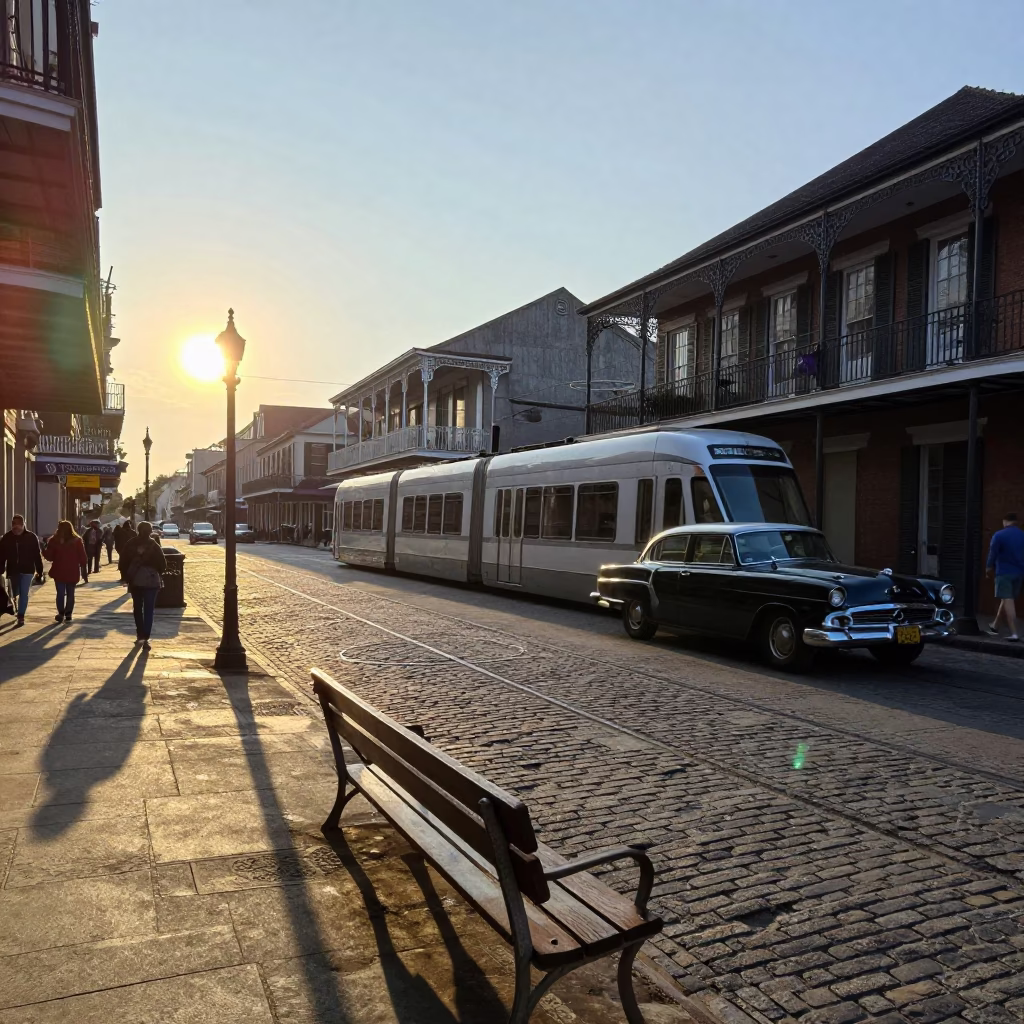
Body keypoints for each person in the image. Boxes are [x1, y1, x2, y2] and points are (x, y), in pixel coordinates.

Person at [121, 521, 166, 649]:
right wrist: (155, 571)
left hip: (135, 580)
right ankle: (146, 636)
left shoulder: (130, 544)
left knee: (137, 608)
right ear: (150, 531)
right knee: (149, 609)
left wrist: (127, 575)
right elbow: (163, 564)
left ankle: (140, 634)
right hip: (151, 581)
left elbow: (123, 561)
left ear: (138, 530)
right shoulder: (154, 545)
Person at [0, 515, 45, 627]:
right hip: (13, 570)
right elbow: (1, 555)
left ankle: (21, 615)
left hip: (27, 570)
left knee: (24, 593)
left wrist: (39, 570)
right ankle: (16, 604)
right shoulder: (7, 537)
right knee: (15, 592)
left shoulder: (31, 537)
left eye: (18, 524)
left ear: (23, 524)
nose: (15, 526)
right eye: (13, 524)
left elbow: (36, 555)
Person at [986, 512, 1024, 642]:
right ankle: (995, 625)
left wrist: (988, 567)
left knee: (1008, 602)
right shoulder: (1022, 535)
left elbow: (993, 553)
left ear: (1005, 521)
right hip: (1019, 573)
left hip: (1004, 573)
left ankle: (1015, 633)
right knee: (1007, 599)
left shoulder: (999, 535)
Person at [43, 521, 88, 624]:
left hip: (59, 571)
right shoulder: (77, 541)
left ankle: (61, 613)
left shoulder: (54, 541)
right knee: (70, 593)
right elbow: (83, 558)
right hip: (72, 571)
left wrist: (43, 550)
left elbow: (49, 557)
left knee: (60, 593)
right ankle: (68, 614)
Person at [115, 519, 136, 585]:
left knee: (122, 564)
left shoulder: (120, 532)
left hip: (122, 550)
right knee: (129, 565)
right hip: (131, 551)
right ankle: (129, 577)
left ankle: (123, 577)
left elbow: (116, 539)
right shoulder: (133, 532)